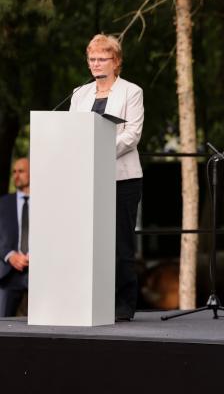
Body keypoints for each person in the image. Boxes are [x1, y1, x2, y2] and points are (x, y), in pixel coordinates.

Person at [70, 34, 144, 321]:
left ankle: (123, 305)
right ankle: (90, 300)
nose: (96, 63)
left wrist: (98, 151)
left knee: (120, 243)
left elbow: (131, 135)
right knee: (88, 241)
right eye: (92, 58)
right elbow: (72, 132)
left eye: (102, 58)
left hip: (121, 179)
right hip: (86, 179)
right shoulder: (79, 94)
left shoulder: (131, 92)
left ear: (116, 62)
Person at [0, 158, 31, 317]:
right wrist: (10, 256)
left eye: (21, 171)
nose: (16, 175)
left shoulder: (46, 203)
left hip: (38, 273)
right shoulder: (3, 203)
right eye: (14, 172)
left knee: (43, 329)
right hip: (8, 274)